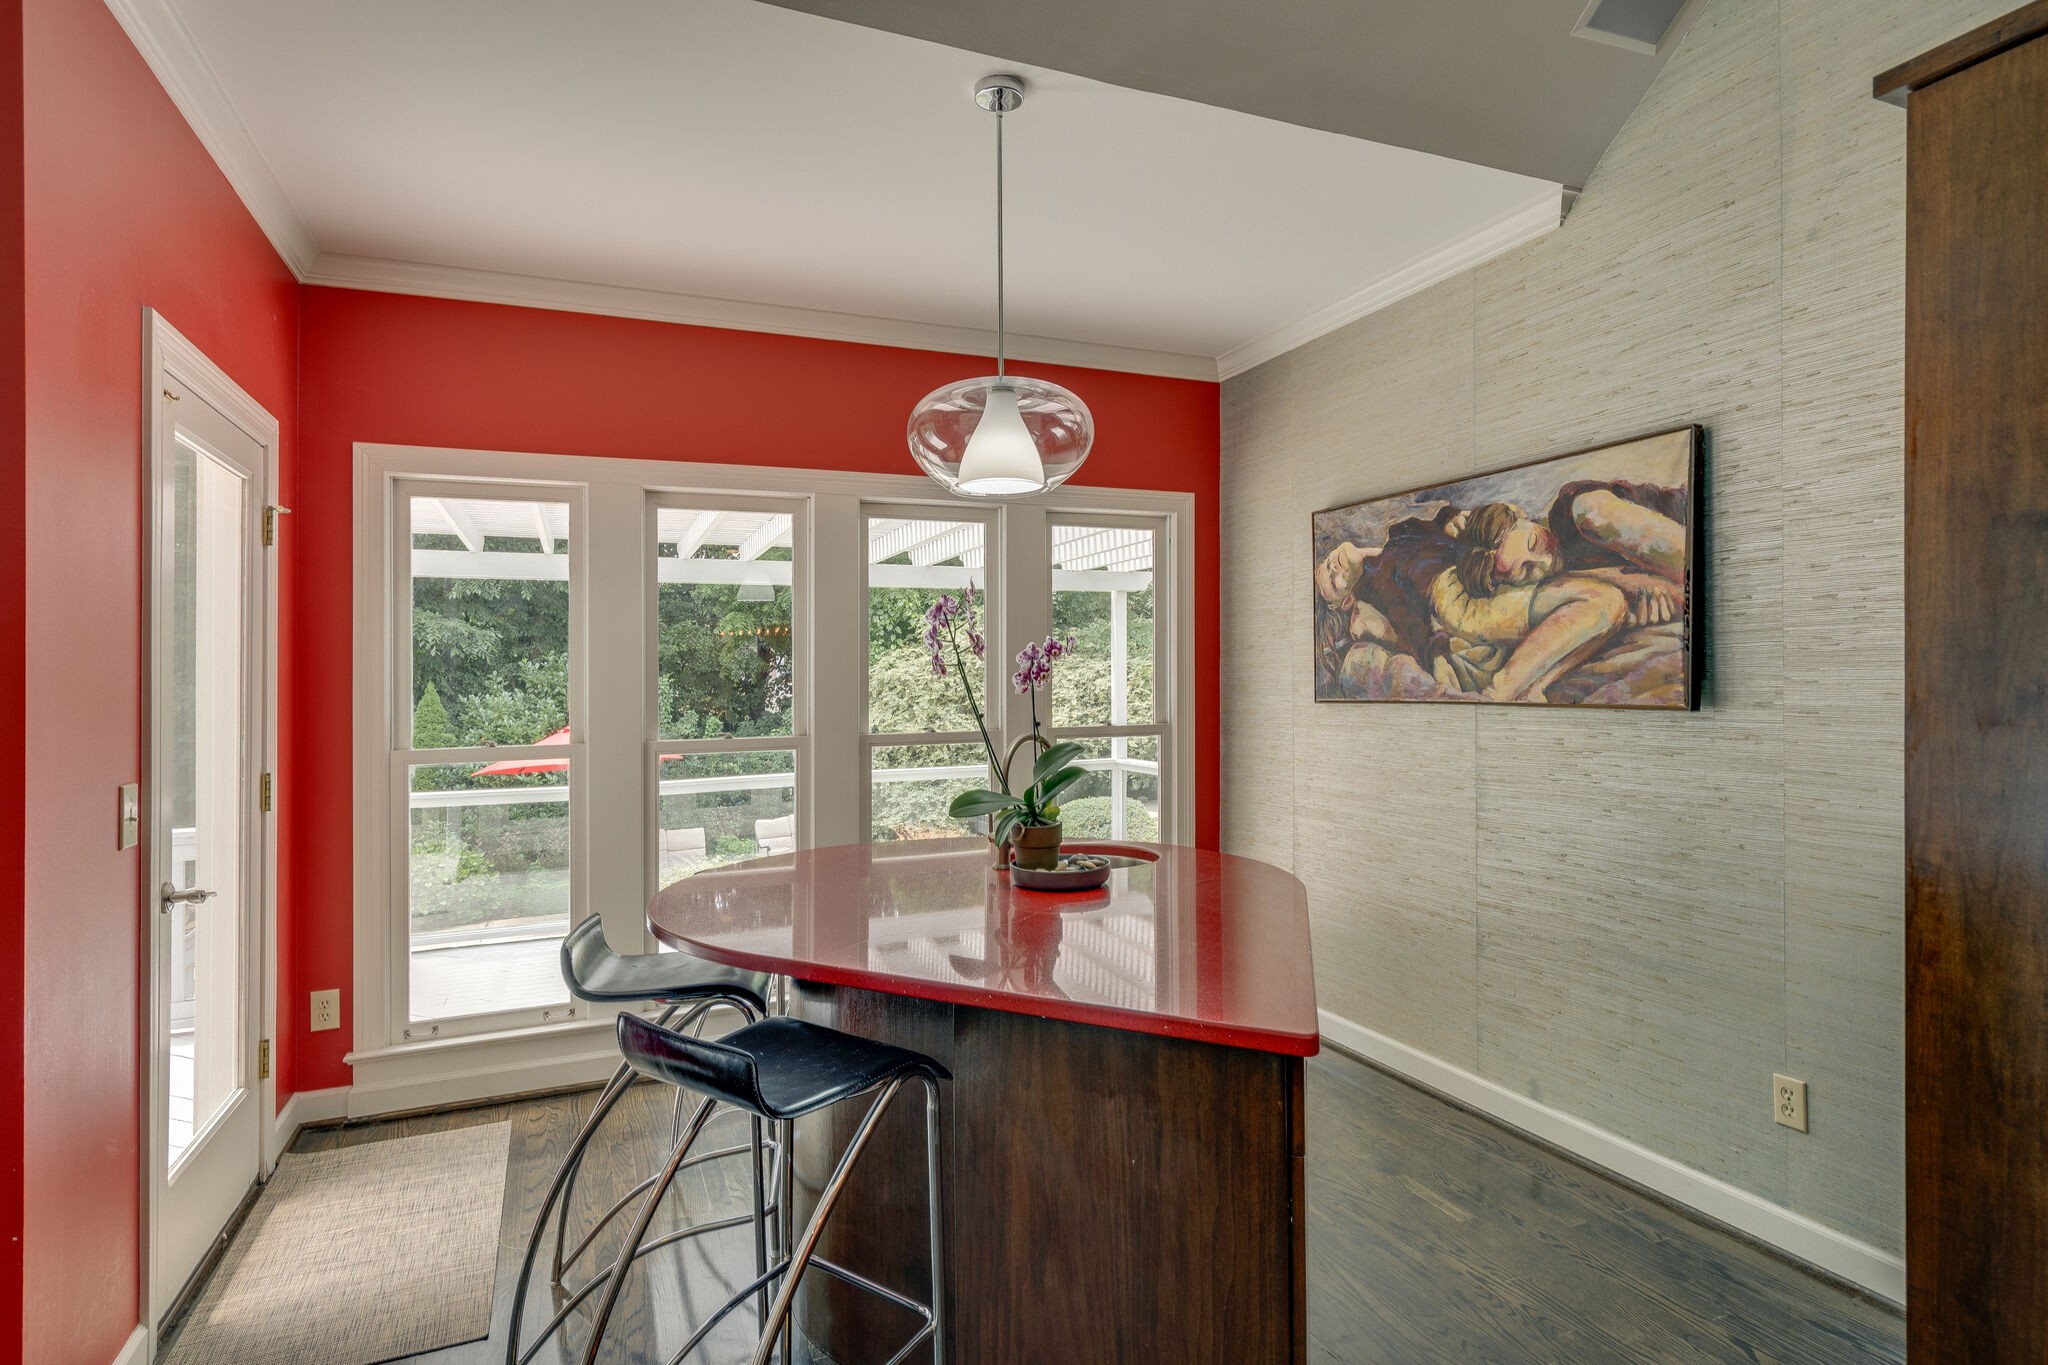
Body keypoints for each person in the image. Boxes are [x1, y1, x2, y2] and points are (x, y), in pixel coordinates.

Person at [1430, 500, 1682, 702]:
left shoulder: (1573, 516)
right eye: (1525, 572)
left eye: (1533, 542)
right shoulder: (1554, 594)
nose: (1545, 562)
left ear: (1519, 513)